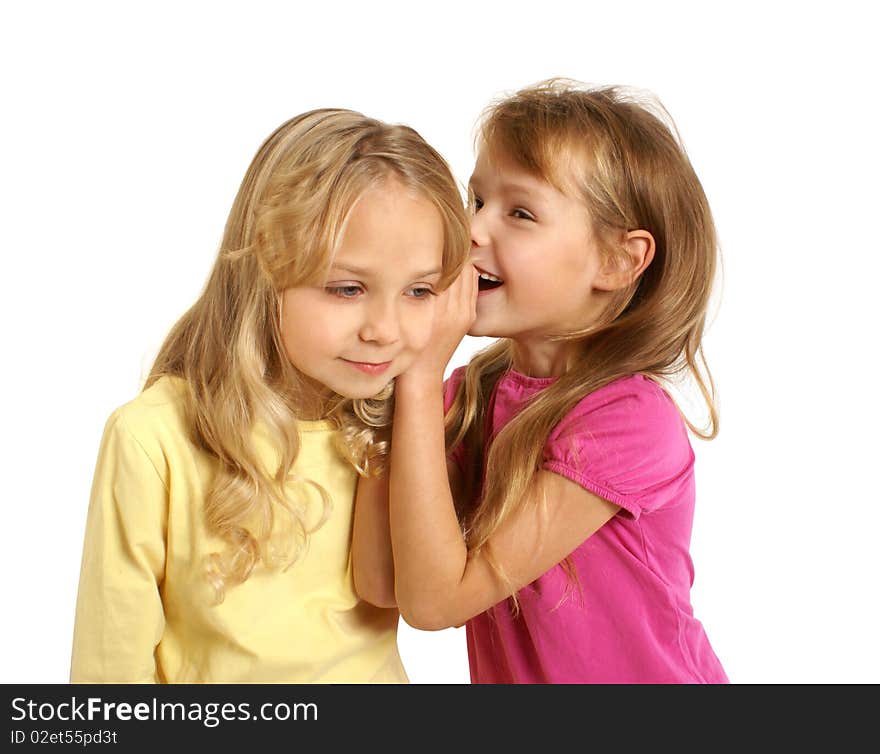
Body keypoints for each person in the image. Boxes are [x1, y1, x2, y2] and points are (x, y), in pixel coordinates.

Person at [70, 108, 470, 683]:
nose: (384, 328)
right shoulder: (152, 437)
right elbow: (108, 672)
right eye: (347, 288)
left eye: (420, 290)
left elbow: (402, 594)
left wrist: (420, 383)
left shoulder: (401, 422)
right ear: (264, 266)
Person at [370, 79, 729, 683]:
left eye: (521, 212)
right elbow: (385, 581)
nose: (474, 231)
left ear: (617, 262)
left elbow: (435, 604)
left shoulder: (629, 419)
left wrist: (419, 377)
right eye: (476, 200)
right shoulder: (465, 397)